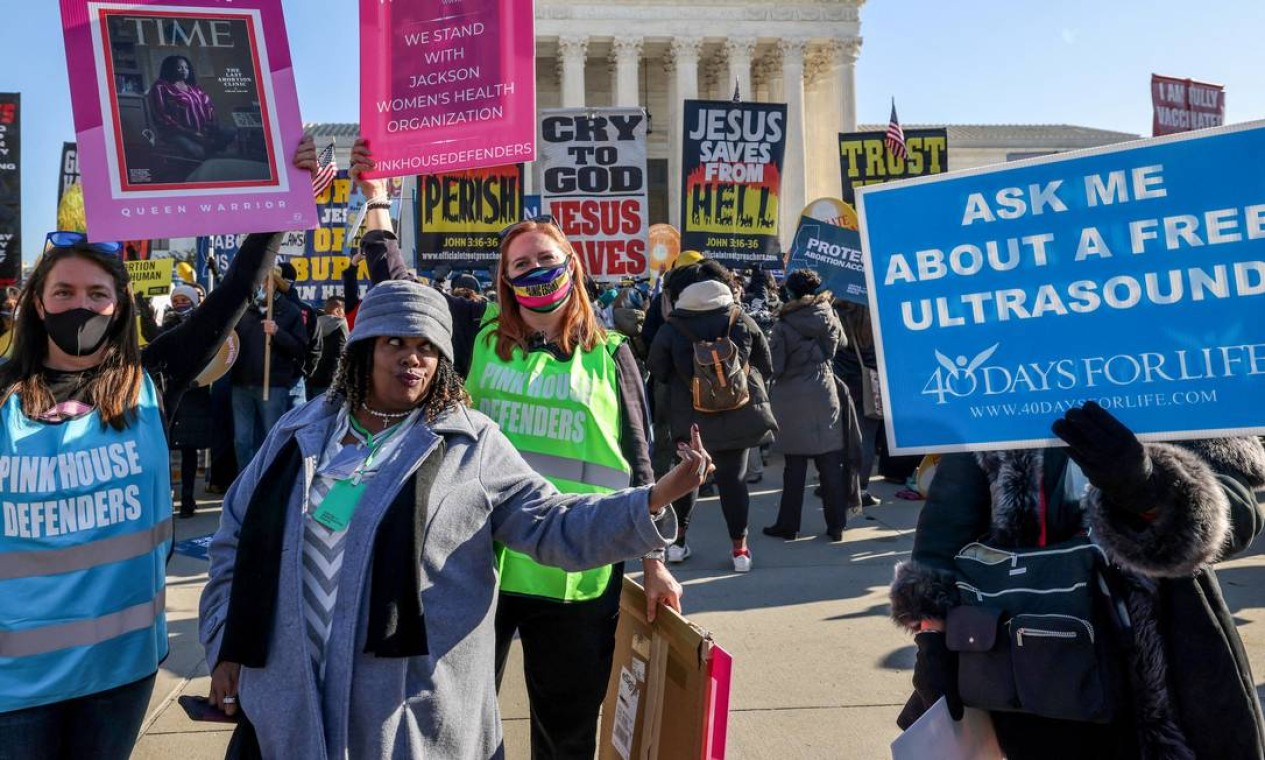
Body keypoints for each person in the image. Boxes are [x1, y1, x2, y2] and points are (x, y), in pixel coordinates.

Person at [198, 279, 713, 759]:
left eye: (426, 348)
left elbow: (552, 523)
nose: (411, 359)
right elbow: (234, 542)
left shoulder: (472, 444)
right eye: (394, 343)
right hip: (291, 694)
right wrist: (226, 644)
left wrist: (652, 499)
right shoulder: (300, 433)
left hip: (408, 711)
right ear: (364, 351)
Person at [334, 136, 685, 758]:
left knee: (566, 734)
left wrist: (656, 561)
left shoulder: (612, 355)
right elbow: (400, 291)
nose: (532, 272)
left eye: (544, 258)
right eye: (518, 265)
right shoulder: (474, 335)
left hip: (578, 575)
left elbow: (639, 465)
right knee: (457, 726)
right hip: (474, 568)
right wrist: (379, 202)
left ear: (572, 265)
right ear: (504, 279)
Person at [0, 228, 278, 759]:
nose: (80, 306)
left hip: (117, 672)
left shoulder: (151, 379)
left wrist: (282, 204)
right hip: (14, 684)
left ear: (119, 305)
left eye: (96, 295)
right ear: (38, 303)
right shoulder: (4, 393)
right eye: (63, 293)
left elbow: (237, 289)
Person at [889, 402, 1265, 759]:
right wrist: (933, 641)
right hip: (1031, 660)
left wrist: (1146, 483)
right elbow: (945, 531)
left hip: (1164, 658)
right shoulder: (999, 389)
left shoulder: (1165, 365)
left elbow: (1239, 514)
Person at [649, 259, 777, 572]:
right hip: (739, 414)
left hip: (690, 420)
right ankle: (740, 551)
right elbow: (767, 362)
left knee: (688, 479)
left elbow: (658, 370)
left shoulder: (673, 326)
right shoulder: (739, 317)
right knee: (735, 481)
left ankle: (677, 544)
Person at [762, 269, 855, 542]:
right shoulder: (828, 314)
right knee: (830, 464)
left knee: (795, 466)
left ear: (789, 291)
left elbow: (775, 367)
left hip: (792, 398)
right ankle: (836, 525)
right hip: (825, 392)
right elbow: (843, 344)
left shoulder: (783, 324)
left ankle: (788, 525)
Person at [229, 270, 308, 471]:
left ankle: (268, 482)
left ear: (274, 285)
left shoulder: (289, 311)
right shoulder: (243, 312)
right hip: (241, 384)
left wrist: (278, 333)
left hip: (272, 386)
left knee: (271, 439)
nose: (260, 287)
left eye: (264, 282)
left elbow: (300, 349)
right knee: (242, 441)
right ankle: (245, 484)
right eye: (258, 283)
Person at [161, 283, 214, 517]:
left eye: (185, 299)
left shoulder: (203, 324)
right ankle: (166, 498)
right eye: (176, 300)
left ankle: (188, 499)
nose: (180, 304)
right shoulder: (167, 324)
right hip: (172, 391)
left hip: (195, 392)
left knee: (189, 450)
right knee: (166, 447)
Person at [834, 301, 882, 507]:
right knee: (867, 435)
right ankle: (860, 488)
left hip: (840, 376)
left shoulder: (837, 310)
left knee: (840, 433)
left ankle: (836, 482)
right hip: (869, 380)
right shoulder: (877, 313)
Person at [146, 55, 235, 162]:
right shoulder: (160, 87)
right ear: (170, 68)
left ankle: (210, 151)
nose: (184, 70)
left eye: (186, 68)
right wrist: (189, 133)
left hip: (203, 130)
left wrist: (212, 124)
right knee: (199, 153)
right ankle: (210, 154)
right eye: (180, 67)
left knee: (231, 131)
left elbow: (210, 107)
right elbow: (162, 116)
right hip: (178, 133)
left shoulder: (194, 88)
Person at [307, 295, 348, 398]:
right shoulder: (342, 324)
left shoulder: (312, 324)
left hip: (311, 378)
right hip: (332, 380)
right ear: (338, 310)